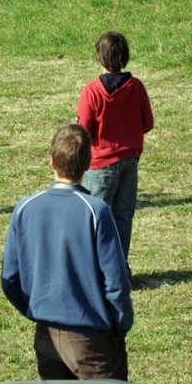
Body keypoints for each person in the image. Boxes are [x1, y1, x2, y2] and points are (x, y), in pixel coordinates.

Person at [1, 123, 133, 380]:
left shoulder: (25, 208)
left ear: (51, 160)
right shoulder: (96, 211)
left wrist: (36, 309)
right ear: (88, 163)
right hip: (91, 339)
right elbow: (116, 283)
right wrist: (120, 325)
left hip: (46, 335)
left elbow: (10, 279)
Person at [76, 30, 154, 264]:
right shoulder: (136, 87)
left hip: (100, 165)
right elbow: (148, 123)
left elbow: (83, 130)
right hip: (129, 162)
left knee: (95, 219)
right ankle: (120, 269)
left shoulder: (92, 91)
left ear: (100, 58)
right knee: (123, 218)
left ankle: (95, 271)